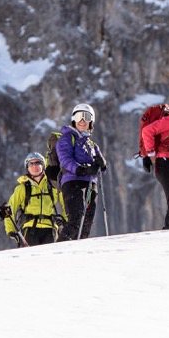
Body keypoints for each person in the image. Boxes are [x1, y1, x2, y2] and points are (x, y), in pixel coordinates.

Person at [56, 103, 108, 240]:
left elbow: (102, 168)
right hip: (73, 181)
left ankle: (79, 252)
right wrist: (81, 170)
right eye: (79, 116)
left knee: (87, 223)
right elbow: (65, 160)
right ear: (73, 119)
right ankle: (58, 250)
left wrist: (102, 164)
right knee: (76, 219)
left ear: (92, 121)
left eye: (87, 117)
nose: (82, 120)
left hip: (91, 184)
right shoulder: (67, 138)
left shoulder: (92, 144)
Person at [1, 152, 66, 246]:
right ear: (27, 167)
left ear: (43, 166)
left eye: (38, 163)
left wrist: (64, 219)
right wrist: (11, 230)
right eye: (31, 164)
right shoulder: (22, 188)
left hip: (50, 229)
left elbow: (66, 204)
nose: (34, 166)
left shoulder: (53, 186)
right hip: (30, 229)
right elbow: (10, 209)